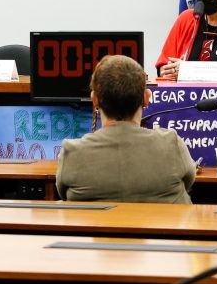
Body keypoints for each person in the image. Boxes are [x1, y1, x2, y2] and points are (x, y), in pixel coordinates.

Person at [55, 55, 196, 203]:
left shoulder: (72, 152)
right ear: (146, 98)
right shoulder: (171, 144)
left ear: (95, 99)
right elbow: (189, 182)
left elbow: (62, 193)